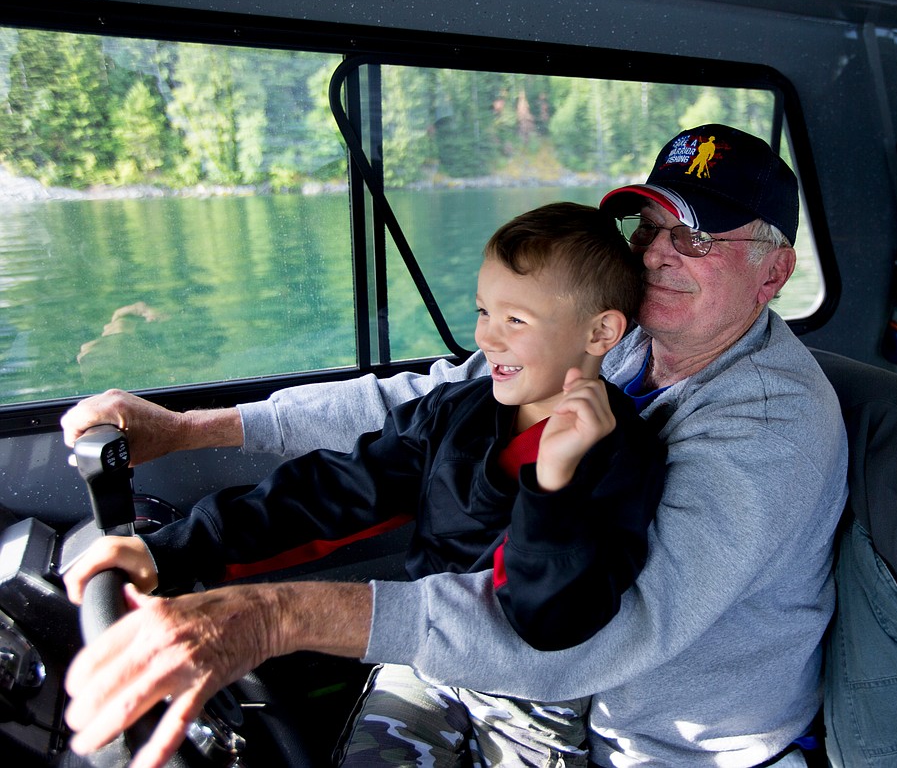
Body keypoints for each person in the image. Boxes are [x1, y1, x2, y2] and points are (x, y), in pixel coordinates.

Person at [62, 123, 848, 768]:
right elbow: (426, 407)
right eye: (649, 229)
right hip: (504, 669)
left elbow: (593, 639)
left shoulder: (774, 424)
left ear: (773, 272)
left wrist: (270, 618)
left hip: (656, 744)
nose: (654, 254)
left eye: (697, 238)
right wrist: (194, 430)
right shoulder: (617, 341)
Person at [66, 202, 665, 766]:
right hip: (426, 664)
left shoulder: (622, 459)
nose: (487, 339)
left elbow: (549, 621)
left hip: (529, 703)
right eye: (484, 311)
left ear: (600, 334)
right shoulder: (455, 414)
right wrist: (173, 549)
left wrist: (551, 486)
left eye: (516, 319)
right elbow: (331, 493)